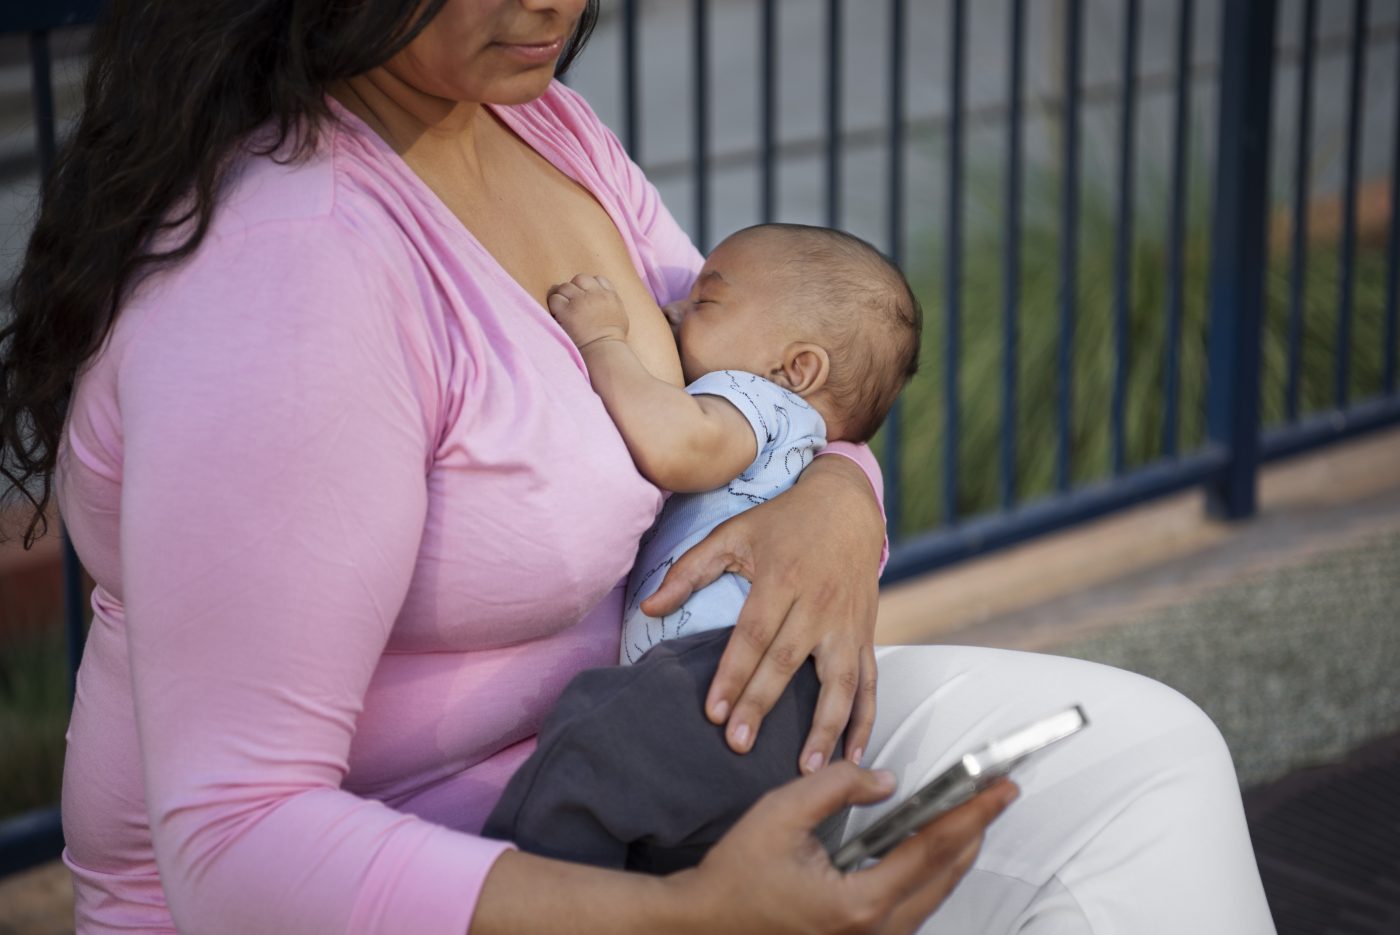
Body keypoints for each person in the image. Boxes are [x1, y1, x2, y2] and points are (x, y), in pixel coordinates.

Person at [0, 1, 1278, 932]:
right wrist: (690, 917)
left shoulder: (540, 124)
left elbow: (769, 392)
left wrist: (840, 498)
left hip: (654, 768)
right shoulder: (287, 277)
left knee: (1137, 757)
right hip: (465, 871)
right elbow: (235, 846)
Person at [483, 223, 924, 870]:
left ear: (797, 367)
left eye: (706, 302)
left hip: (718, 668)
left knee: (586, 743)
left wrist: (603, 339)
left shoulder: (754, 399)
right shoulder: (801, 437)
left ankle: (528, 892)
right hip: (779, 697)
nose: (673, 310)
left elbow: (676, 445)